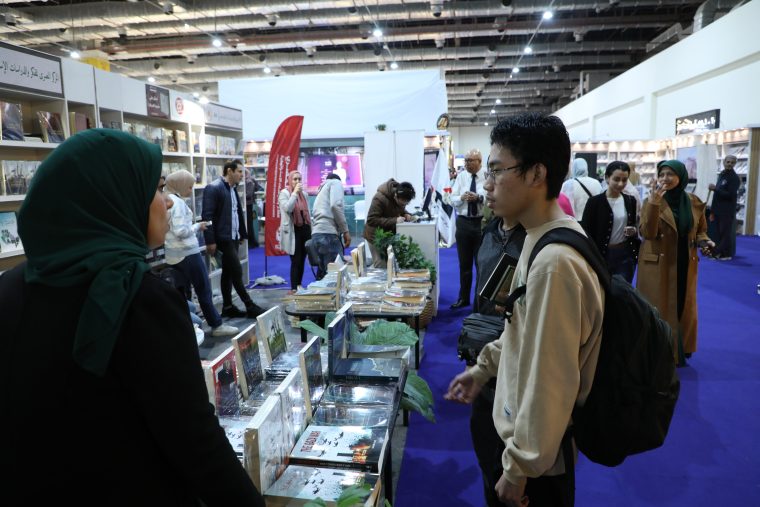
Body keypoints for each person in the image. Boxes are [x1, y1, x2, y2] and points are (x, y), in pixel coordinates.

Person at [0, 129, 265, 505]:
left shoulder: (11, 287)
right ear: (113, 198)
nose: (167, 202)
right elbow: (195, 440)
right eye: (157, 189)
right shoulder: (139, 298)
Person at [446, 113, 605, 507]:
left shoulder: (555, 262)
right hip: (519, 439)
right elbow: (520, 329)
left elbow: (551, 379)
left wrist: (519, 468)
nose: (487, 183)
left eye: (497, 170)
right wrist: (483, 369)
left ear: (537, 174)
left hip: (535, 469)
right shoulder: (540, 237)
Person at [637, 160, 714, 366]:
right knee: (659, 306)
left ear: (681, 177)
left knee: (682, 303)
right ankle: (660, 350)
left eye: (670, 174)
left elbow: (700, 230)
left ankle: (680, 347)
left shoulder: (693, 201)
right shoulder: (651, 200)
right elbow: (648, 233)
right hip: (659, 263)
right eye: (662, 174)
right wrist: (654, 203)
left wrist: (705, 241)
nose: (665, 179)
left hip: (684, 261)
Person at [164, 170, 239, 337]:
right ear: (180, 184)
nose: (191, 190)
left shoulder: (166, 199)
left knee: (183, 293)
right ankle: (216, 324)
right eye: (189, 186)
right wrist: (198, 226)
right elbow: (181, 231)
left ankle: (189, 328)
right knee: (203, 289)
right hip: (187, 253)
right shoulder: (177, 203)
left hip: (174, 255)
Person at [203, 159, 265, 319]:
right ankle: (249, 305)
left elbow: (237, 213)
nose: (242, 175)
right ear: (229, 171)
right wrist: (210, 240)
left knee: (228, 273)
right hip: (223, 238)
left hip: (233, 237)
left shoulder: (232, 189)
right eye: (239, 172)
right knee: (237, 271)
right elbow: (207, 216)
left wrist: (242, 234)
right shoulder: (214, 188)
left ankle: (228, 307)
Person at [580, 161, 640, 282]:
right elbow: (586, 232)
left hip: (625, 255)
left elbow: (632, 224)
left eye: (624, 180)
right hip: (601, 255)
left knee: (622, 290)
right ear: (607, 178)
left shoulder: (630, 200)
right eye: (616, 179)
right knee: (602, 289)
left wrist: (634, 230)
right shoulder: (594, 202)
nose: (620, 184)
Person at [450, 148, 487, 309]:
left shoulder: (487, 176)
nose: (466, 163)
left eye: (470, 160)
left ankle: (480, 301)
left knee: (481, 265)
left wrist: (479, 198)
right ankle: (463, 298)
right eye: (465, 160)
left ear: (479, 161)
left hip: (481, 223)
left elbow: (493, 197)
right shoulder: (461, 176)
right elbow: (452, 198)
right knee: (464, 265)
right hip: (463, 223)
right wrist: (461, 197)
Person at [363, 179, 416, 267]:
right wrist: (395, 220)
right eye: (402, 204)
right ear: (396, 196)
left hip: (387, 235)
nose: (403, 206)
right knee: (381, 264)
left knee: (390, 264)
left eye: (406, 204)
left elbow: (399, 209)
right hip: (374, 236)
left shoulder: (401, 196)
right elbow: (371, 219)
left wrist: (406, 214)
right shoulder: (379, 198)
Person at [310, 173, 350, 279]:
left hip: (317, 234)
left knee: (323, 277)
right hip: (328, 235)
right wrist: (345, 231)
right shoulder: (336, 183)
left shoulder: (321, 190)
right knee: (335, 277)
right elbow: (335, 206)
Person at [278, 171, 312, 290]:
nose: (297, 181)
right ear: (290, 180)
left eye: (299, 179)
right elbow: (288, 208)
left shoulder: (305, 194)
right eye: (295, 179)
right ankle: (293, 288)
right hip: (293, 231)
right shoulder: (284, 193)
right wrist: (294, 194)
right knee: (296, 260)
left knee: (302, 259)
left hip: (305, 229)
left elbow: (307, 213)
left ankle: (299, 285)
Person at [708, 155, 740, 260]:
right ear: (724, 162)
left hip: (727, 210)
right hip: (718, 209)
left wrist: (715, 189)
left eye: (732, 162)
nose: (729, 164)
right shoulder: (722, 174)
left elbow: (730, 195)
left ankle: (724, 254)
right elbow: (717, 195)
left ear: (735, 164)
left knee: (725, 233)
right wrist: (712, 210)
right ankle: (721, 253)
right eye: (728, 162)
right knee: (718, 233)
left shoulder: (734, 178)